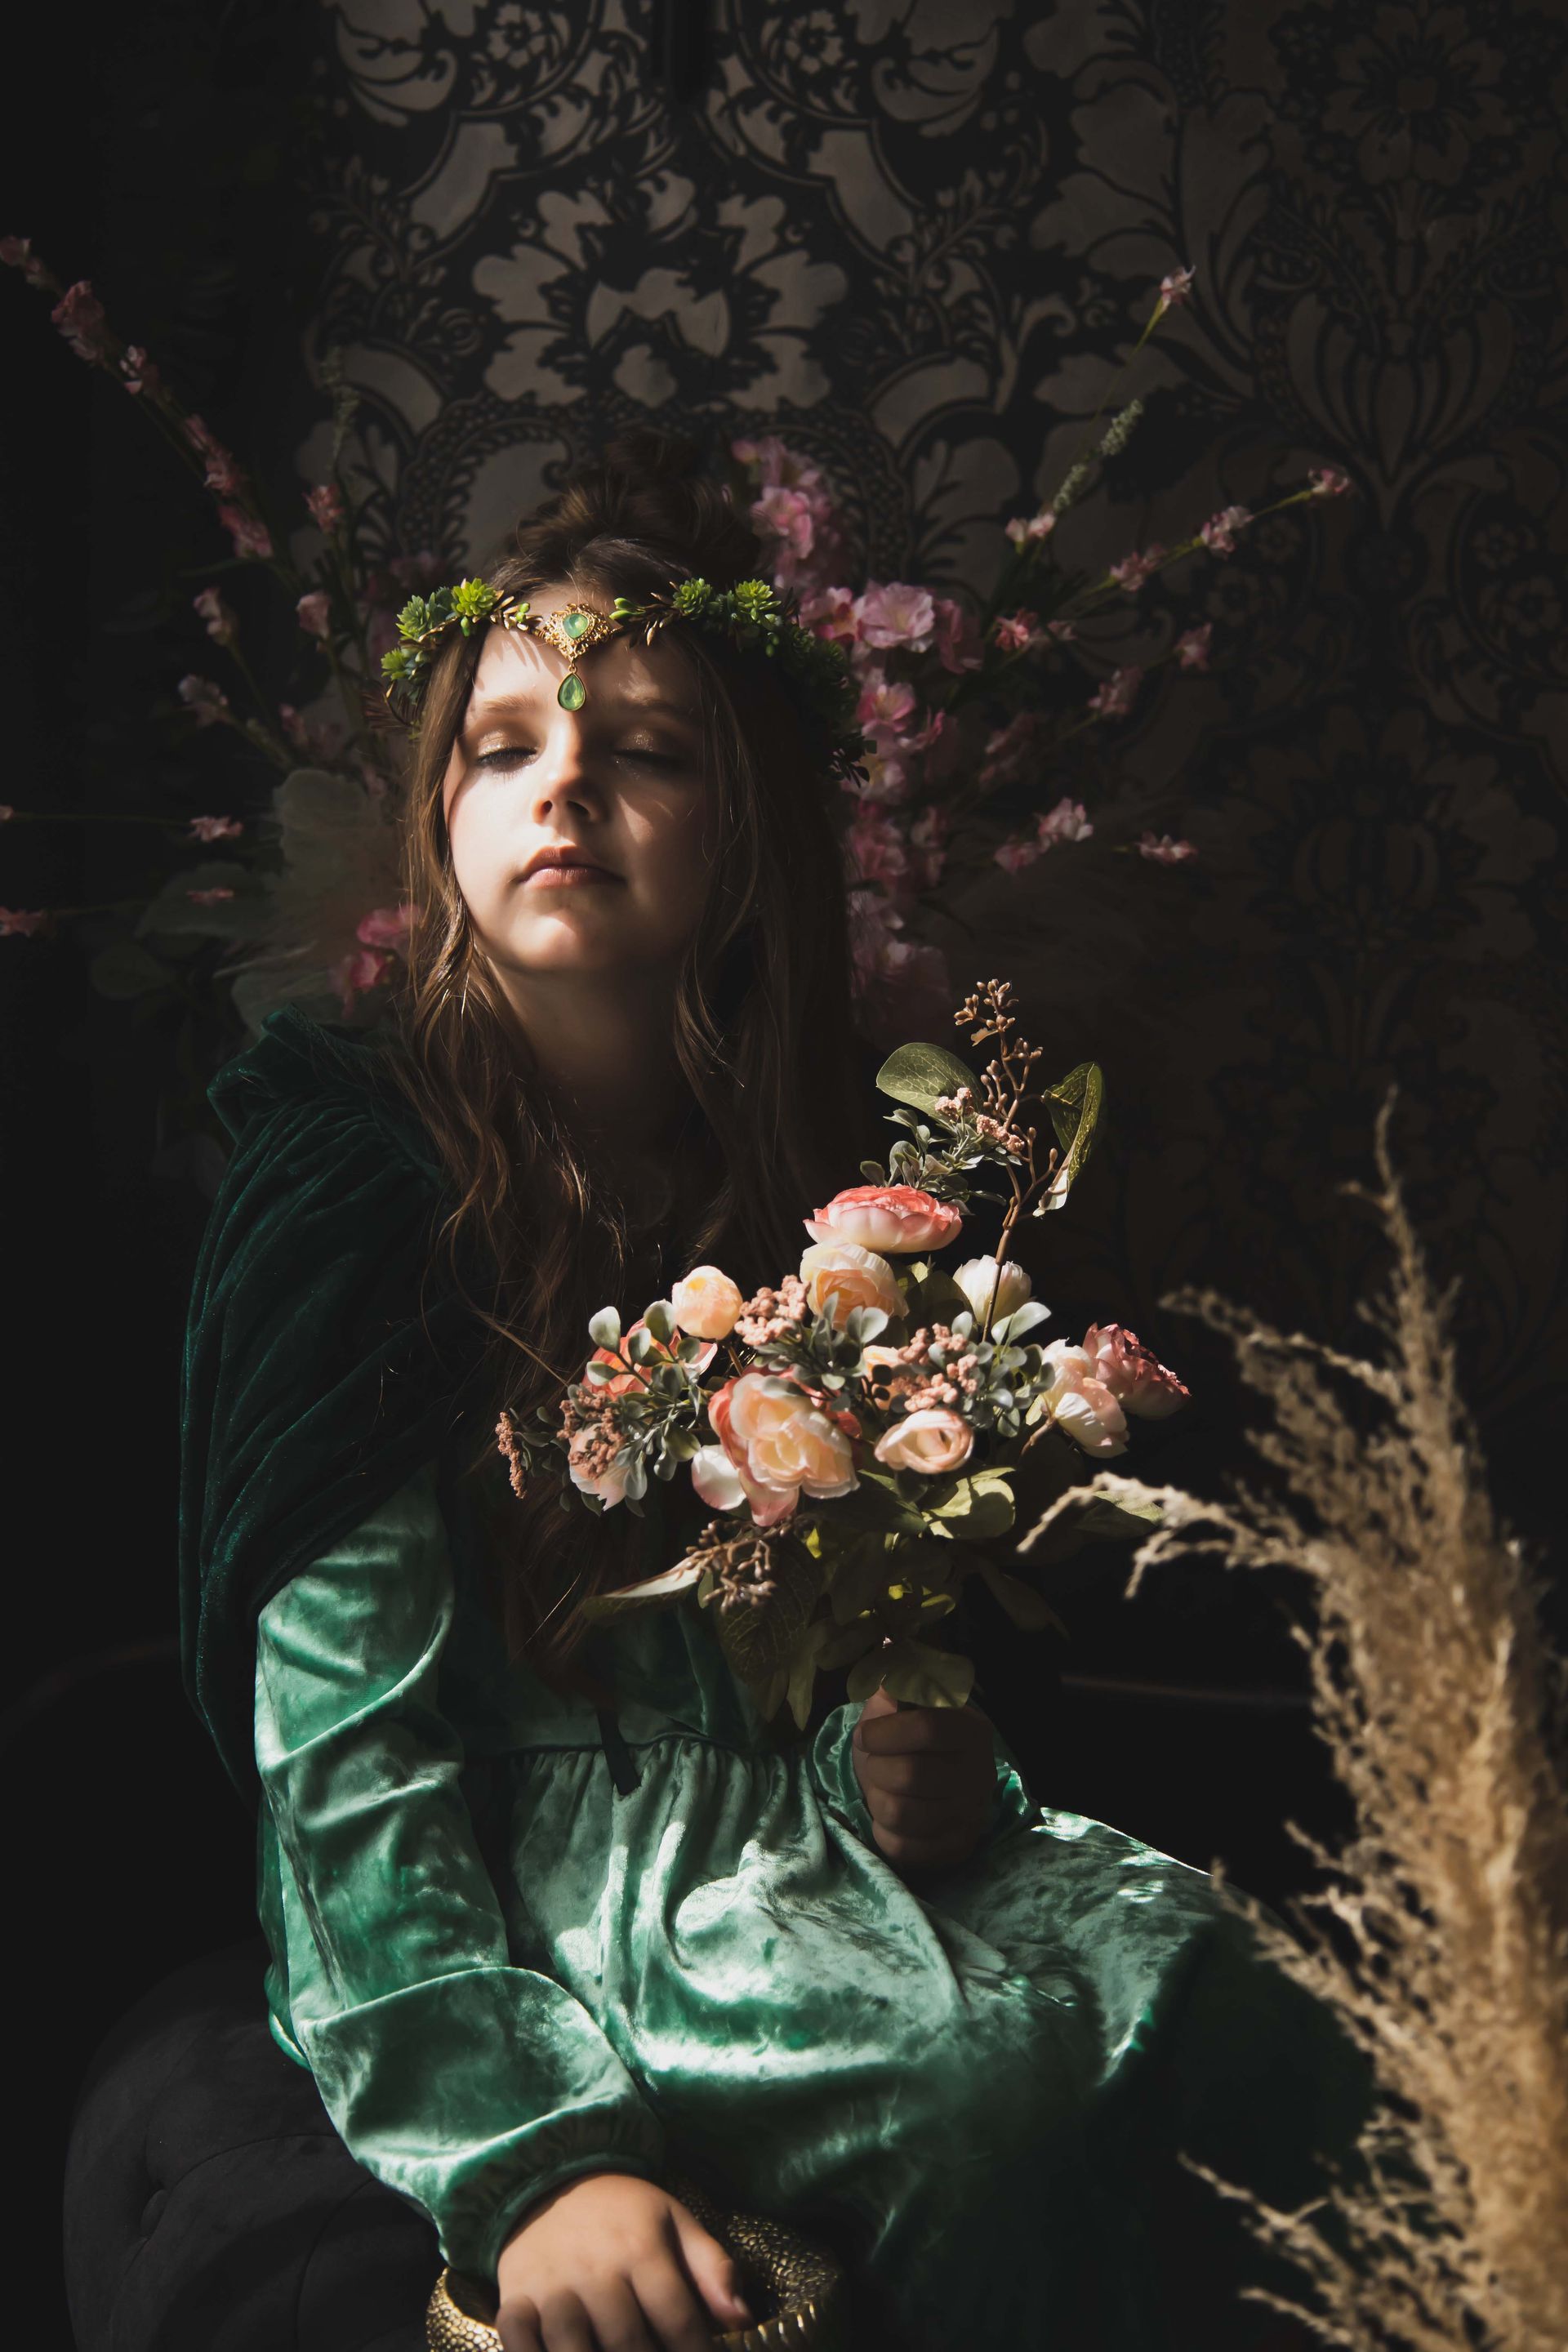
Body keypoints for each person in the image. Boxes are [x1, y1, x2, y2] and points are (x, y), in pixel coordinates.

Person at [179, 434, 1362, 2352]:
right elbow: (348, 1761)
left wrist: (914, 1765)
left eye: (643, 749)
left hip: (799, 1857)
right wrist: (530, 2162)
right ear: (442, 812)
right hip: (555, 1899)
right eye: (504, 746)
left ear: (743, 831)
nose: (565, 785)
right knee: (988, 2095)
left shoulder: (821, 1181)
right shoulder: (362, 1187)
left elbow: (847, 1650)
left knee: (1208, 1989)